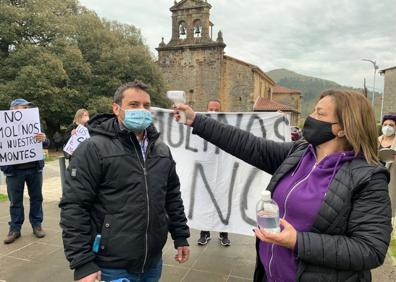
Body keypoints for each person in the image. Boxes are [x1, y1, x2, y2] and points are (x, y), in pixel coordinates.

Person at [174, 90, 392, 281]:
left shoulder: (368, 178)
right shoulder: (299, 153)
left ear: (342, 129)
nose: (311, 117)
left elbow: (370, 249)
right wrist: (196, 120)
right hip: (270, 274)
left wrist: (298, 241)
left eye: (320, 114)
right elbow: (249, 145)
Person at [60, 81, 190, 282]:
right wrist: (82, 262)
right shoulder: (93, 149)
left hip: (152, 262)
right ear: (116, 108)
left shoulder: (161, 150)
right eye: (134, 104)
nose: (141, 110)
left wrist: (180, 235)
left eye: (146, 106)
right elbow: (74, 206)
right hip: (111, 265)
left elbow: (171, 195)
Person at [1, 98, 49, 244]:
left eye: (28, 108)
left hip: (34, 169)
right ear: (14, 109)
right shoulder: (3, 126)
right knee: (15, 201)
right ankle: (15, 229)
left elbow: (46, 143)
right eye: (24, 107)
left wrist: (44, 139)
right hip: (13, 172)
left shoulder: (35, 124)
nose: (27, 110)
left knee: (36, 198)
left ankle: (37, 225)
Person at [198, 100, 231, 246]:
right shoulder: (200, 124)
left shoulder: (228, 126)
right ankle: (204, 233)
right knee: (204, 202)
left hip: (223, 171)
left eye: (216, 110)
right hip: (205, 171)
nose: (213, 113)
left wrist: (276, 116)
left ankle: (224, 234)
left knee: (223, 202)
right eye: (210, 109)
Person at [378, 114, 396, 218]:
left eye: (391, 125)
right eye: (385, 124)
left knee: (388, 208)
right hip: (376, 177)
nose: (387, 127)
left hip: (391, 179)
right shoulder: (376, 140)